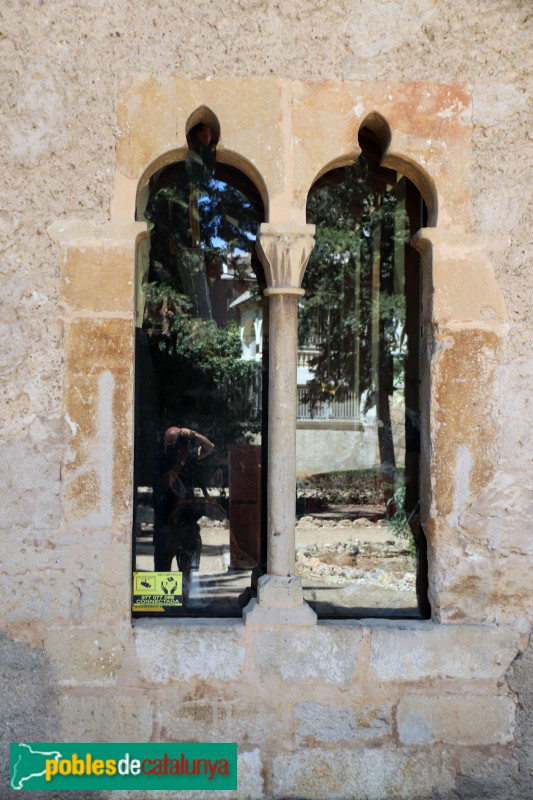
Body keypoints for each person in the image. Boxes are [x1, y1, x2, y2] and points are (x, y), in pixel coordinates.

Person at [153, 425, 215, 600]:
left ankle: (184, 602)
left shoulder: (190, 456)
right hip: (167, 524)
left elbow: (210, 447)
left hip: (186, 522)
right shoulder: (163, 459)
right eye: (177, 442)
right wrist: (181, 460)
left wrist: (193, 435)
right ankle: (162, 608)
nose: (180, 445)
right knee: (163, 569)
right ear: (168, 444)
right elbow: (167, 482)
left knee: (186, 568)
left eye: (182, 442)